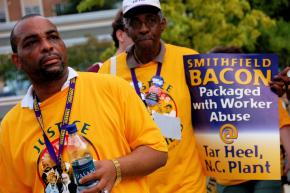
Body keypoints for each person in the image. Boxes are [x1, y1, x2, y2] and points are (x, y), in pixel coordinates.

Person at [0, 14, 168, 193]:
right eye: (32, 42)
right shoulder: (9, 127)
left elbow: (157, 152)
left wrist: (115, 168)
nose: (47, 46)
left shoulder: (112, 88)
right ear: (17, 60)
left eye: (53, 37)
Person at [99, 0, 206, 193]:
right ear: (126, 28)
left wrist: (266, 90)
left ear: (163, 24)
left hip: (187, 186)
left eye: (150, 20)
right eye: (135, 23)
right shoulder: (109, 70)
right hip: (138, 186)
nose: (143, 29)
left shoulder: (188, 60)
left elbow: (218, 105)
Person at [208, 46, 290, 193]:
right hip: (230, 176)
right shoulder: (207, 99)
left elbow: (282, 123)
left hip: (266, 168)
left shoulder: (263, 89)